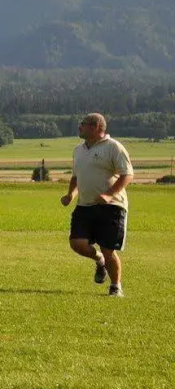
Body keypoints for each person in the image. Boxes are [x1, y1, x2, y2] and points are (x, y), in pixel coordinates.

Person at [62, 113, 133, 296]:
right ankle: (98, 260)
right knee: (77, 243)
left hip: (112, 207)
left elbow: (127, 174)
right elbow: (76, 176)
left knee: (108, 249)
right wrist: (71, 194)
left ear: (95, 127)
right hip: (84, 205)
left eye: (83, 124)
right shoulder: (78, 150)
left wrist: (109, 195)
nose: (79, 127)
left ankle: (116, 286)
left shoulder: (113, 147)